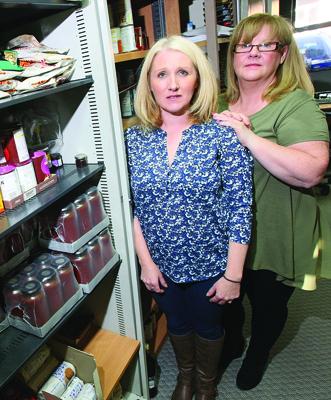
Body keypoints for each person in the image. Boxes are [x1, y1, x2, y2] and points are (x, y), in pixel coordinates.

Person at [126, 36, 253, 400]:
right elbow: (134, 207)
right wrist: (145, 263)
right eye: (161, 74)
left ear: (198, 78)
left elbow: (240, 209)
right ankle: (185, 378)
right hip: (161, 264)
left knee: (209, 327)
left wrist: (233, 275)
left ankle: (206, 383)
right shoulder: (133, 139)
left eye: (183, 72)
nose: (173, 83)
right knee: (178, 325)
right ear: (148, 82)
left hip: (212, 263)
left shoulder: (224, 133)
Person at [213, 13, 331, 391]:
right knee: (227, 299)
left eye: (266, 45)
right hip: (228, 231)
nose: (253, 52)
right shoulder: (216, 102)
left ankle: (258, 351)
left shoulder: (294, 104)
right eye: (244, 45)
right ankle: (232, 342)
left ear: (282, 54)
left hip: (277, 229)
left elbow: (311, 170)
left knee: (267, 304)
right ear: (232, 55)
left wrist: (247, 137)